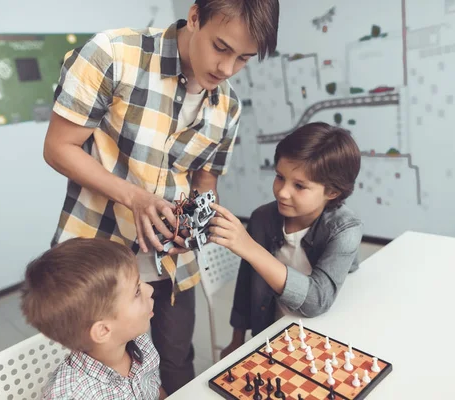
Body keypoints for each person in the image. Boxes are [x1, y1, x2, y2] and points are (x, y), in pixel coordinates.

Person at [42, 0, 280, 393]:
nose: (226, 69)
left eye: (243, 59)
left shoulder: (229, 106)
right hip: (97, 255)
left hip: (171, 261)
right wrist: (134, 197)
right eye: (221, 48)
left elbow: (205, 179)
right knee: (100, 372)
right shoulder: (113, 55)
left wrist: (197, 223)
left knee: (175, 360)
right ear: (193, 16)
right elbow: (58, 148)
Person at [207, 122, 363, 358]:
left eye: (299, 186)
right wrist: (236, 340)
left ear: (332, 192)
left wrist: (250, 249)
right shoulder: (262, 218)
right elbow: (246, 285)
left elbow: (317, 301)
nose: (282, 192)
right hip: (273, 336)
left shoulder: (345, 229)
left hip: (324, 337)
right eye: (280, 177)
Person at [20, 238, 164, 399]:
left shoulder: (139, 342)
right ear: (103, 330)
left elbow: (153, 388)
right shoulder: (71, 395)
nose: (150, 289)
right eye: (136, 291)